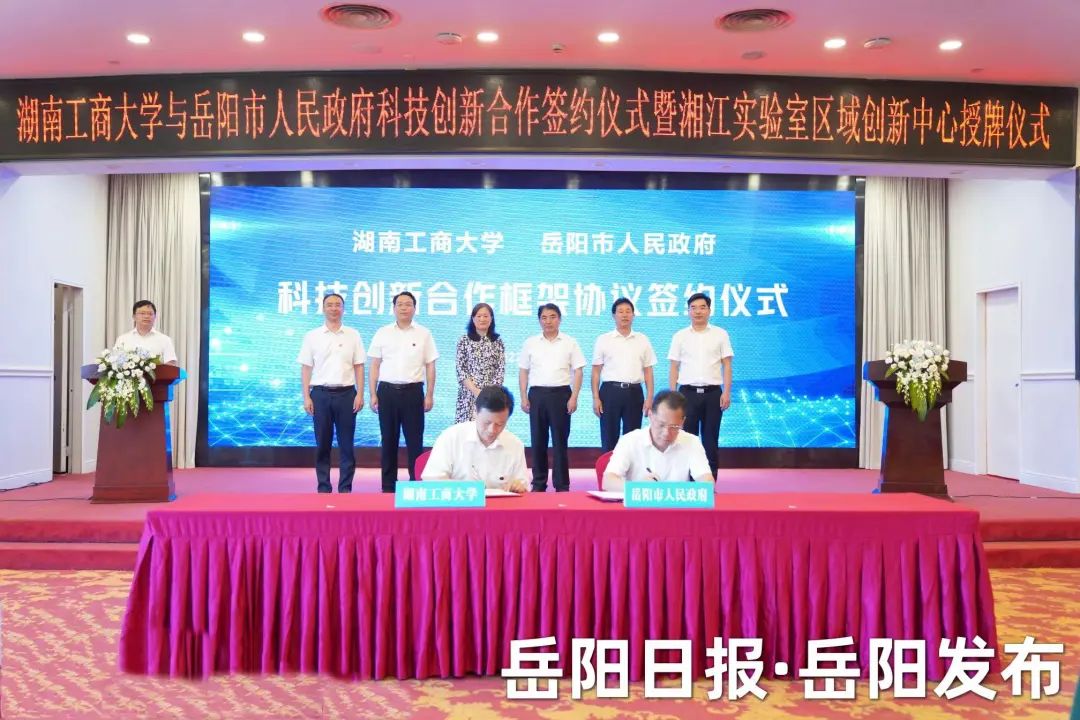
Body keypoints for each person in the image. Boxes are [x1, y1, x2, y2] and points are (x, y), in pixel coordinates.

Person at [368, 291, 439, 493]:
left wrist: (429, 394)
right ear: (394, 308)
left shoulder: (424, 333)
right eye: (400, 304)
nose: (404, 308)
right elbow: (375, 365)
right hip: (387, 392)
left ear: (415, 308)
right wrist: (372, 393)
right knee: (388, 440)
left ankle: (415, 485)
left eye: (408, 304)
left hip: (413, 392)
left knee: (415, 441)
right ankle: (388, 486)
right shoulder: (383, 332)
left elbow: (430, 365)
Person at [297, 293, 365, 493]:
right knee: (322, 444)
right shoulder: (312, 336)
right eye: (330, 305)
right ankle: (324, 486)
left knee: (347, 445)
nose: (334, 308)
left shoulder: (353, 334)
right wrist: (306, 396)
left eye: (338, 305)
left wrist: (360, 394)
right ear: (323, 308)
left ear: (343, 308)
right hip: (320, 395)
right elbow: (306, 368)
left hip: (347, 395)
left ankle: (345, 488)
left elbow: (359, 366)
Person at [518, 303, 586, 492]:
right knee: (538, 441)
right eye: (544, 317)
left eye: (552, 317)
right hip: (537, 395)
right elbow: (523, 371)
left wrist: (574, 397)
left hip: (561, 395)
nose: (548, 321)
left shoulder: (570, 342)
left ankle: (562, 484)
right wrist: (523, 396)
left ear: (560, 319)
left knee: (560, 442)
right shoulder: (531, 343)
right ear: (539, 320)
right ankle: (538, 483)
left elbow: (578, 371)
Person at [667, 292, 733, 478]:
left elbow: (727, 365)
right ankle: (688, 481)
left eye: (702, 307)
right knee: (686, 440)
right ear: (688, 311)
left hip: (713, 394)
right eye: (693, 308)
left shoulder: (720, 334)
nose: (698, 311)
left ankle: (709, 482)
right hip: (687, 394)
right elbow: (674, 367)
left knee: (711, 439)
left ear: (709, 310)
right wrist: (673, 396)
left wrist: (726, 392)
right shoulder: (680, 336)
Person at [421, 385, 528, 493]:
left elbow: (523, 486)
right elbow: (431, 481)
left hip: (501, 504)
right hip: (460, 502)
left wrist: (518, 486)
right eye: (487, 423)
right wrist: (469, 489)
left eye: (499, 424)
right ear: (475, 412)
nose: (492, 430)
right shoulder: (450, 437)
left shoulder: (515, 445)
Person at [603, 390, 714, 492]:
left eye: (674, 426)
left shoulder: (692, 442)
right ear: (650, 415)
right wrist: (638, 487)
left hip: (676, 506)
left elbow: (707, 481)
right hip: (639, 506)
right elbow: (608, 481)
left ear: (682, 422)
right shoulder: (630, 441)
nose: (666, 432)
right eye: (661, 425)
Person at [591, 297, 657, 451]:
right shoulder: (603, 339)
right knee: (609, 437)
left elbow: (648, 371)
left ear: (633, 315)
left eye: (628, 311)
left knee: (633, 439)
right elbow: (595, 372)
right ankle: (609, 467)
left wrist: (649, 398)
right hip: (609, 392)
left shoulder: (643, 340)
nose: (625, 315)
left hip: (634, 393)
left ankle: (631, 468)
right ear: (613, 315)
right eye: (620, 311)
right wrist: (596, 398)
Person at [454, 303, 506, 423]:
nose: (482, 319)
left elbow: (500, 370)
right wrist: (476, 391)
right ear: (473, 319)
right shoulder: (464, 340)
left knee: (488, 427)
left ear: (491, 318)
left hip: (490, 396)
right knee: (466, 430)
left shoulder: (498, 341)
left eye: (486, 316)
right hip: (468, 395)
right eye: (478, 316)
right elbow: (461, 370)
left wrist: (489, 393)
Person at [114, 300, 178, 365]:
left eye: (150, 314)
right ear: (134, 317)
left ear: (155, 317)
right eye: (142, 313)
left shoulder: (165, 340)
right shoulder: (122, 339)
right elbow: (115, 363)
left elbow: (171, 364)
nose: (146, 316)